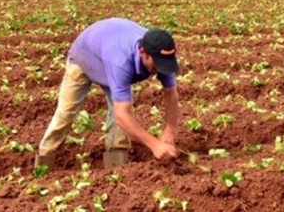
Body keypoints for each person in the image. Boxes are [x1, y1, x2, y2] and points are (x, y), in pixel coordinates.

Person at [35, 17, 180, 169]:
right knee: (66, 111)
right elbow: (121, 116)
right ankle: (44, 162)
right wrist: (155, 144)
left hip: (109, 49)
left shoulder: (162, 55)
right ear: (143, 52)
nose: (160, 68)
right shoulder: (121, 62)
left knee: (122, 109)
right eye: (156, 64)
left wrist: (169, 131)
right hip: (84, 57)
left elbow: (171, 94)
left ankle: (116, 165)